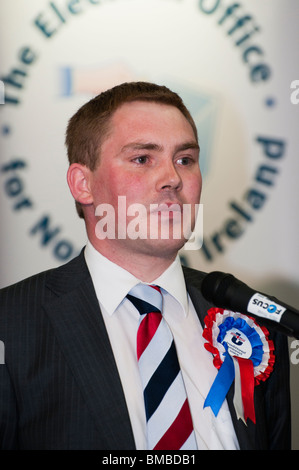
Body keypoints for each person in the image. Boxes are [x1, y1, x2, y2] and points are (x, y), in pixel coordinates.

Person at [0, 82, 291, 450]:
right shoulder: (10, 326)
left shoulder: (255, 323)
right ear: (83, 184)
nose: (173, 178)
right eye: (142, 159)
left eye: (185, 159)